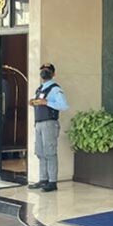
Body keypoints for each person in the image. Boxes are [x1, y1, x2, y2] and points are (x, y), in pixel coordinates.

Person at [28, 63, 69, 192]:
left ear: (53, 74)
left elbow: (64, 106)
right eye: (43, 70)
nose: (44, 72)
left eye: (47, 70)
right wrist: (33, 102)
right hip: (39, 123)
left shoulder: (55, 89)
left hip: (49, 123)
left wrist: (47, 102)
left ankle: (52, 182)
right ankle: (43, 179)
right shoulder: (39, 89)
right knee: (40, 152)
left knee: (50, 152)